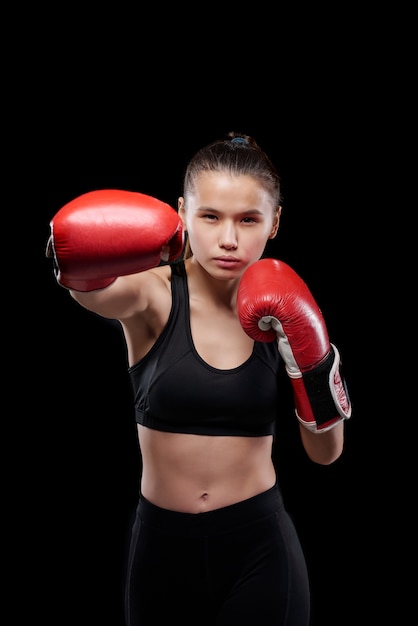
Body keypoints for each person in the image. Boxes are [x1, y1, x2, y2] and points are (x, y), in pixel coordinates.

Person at [46, 131, 351, 625]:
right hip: (161, 549)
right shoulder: (153, 294)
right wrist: (74, 254)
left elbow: (326, 452)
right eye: (210, 216)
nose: (228, 239)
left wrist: (311, 357)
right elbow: (87, 284)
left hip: (260, 548)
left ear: (274, 222)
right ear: (182, 212)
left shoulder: (284, 309)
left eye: (248, 219)